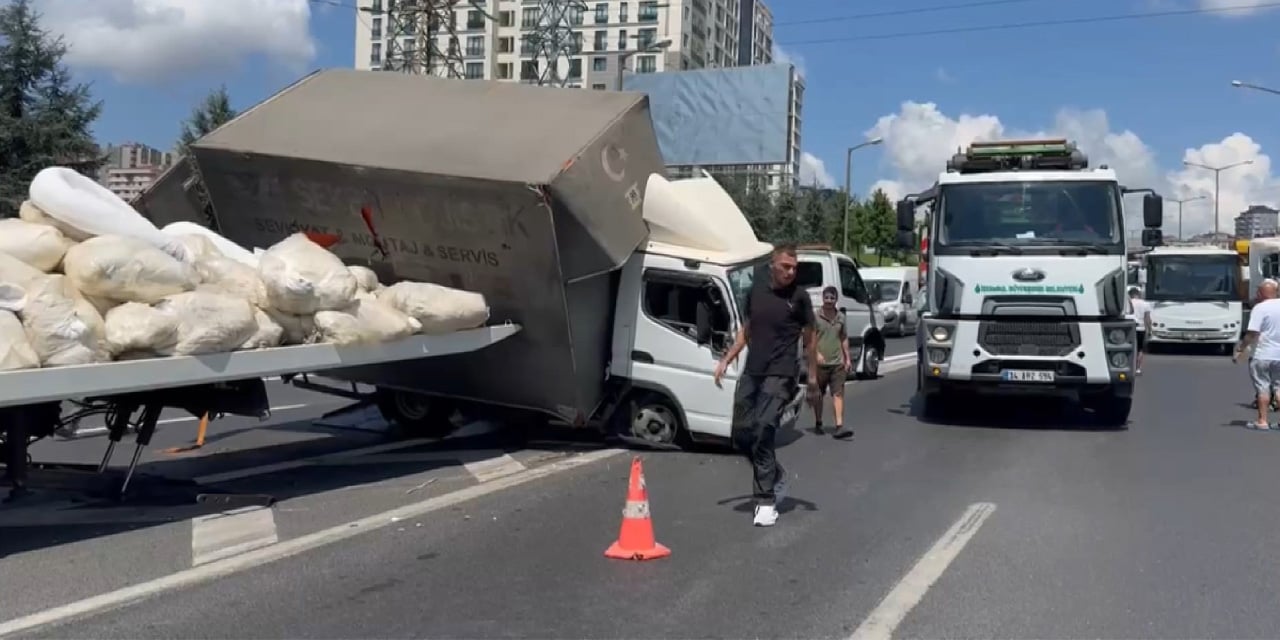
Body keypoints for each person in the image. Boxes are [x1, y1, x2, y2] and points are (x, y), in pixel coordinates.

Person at [715, 243, 818, 527]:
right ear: (773, 265)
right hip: (753, 371)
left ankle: (765, 500)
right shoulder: (756, 292)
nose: (790, 272)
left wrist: (811, 378)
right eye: (786, 266)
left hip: (782, 373)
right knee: (740, 433)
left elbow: (810, 338)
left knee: (763, 427)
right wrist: (727, 359)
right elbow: (747, 331)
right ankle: (775, 474)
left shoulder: (799, 298)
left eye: (795, 268)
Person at [1234, 279, 1280, 429]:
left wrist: (1241, 348)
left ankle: (1262, 421)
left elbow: (1252, 333)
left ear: (1260, 293)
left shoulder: (1260, 308)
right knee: (1279, 388)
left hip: (1262, 354)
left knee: (1263, 388)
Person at [811, 286, 853, 438]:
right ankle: (818, 422)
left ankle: (839, 426)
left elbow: (844, 338)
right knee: (819, 395)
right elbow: (810, 339)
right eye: (826, 298)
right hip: (820, 364)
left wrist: (847, 358)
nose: (829, 301)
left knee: (838, 393)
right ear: (823, 299)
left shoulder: (841, 317)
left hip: (837, 363)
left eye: (832, 298)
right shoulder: (816, 317)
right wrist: (816, 354)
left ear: (836, 300)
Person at [1126, 287, 1151, 375]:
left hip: (1129, 328)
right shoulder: (1145, 304)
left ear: (1130, 294)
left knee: (1129, 347)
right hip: (1141, 328)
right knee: (1140, 349)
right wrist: (1149, 330)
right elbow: (1147, 318)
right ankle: (1138, 368)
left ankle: (1128, 365)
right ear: (1138, 294)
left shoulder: (1127, 303)